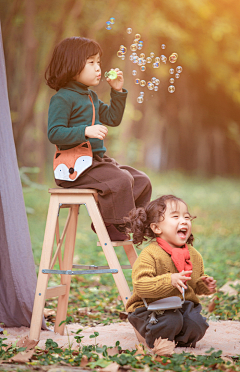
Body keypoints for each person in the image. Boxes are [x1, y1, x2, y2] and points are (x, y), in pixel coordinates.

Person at [45, 37, 152, 240]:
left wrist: (117, 91)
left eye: (99, 62)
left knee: (141, 180)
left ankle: (115, 221)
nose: (98, 68)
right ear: (72, 64)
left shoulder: (90, 97)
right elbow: (54, 133)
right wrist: (85, 131)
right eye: (91, 62)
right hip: (74, 168)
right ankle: (118, 224)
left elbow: (112, 118)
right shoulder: (62, 98)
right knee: (122, 179)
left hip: (97, 163)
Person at [125, 195, 216, 348]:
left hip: (181, 305)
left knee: (197, 324)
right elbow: (141, 286)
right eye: (175, 216)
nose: (184, 220)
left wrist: (203, 284)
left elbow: (194, 284)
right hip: (150, 307)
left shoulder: (193, 255)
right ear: (156, 228)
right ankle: (157, 340)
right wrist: (169, 280)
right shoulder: (150, 254)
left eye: (187, 217)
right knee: (170, 321)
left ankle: (179, 340)